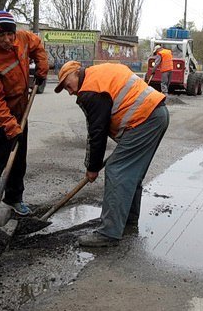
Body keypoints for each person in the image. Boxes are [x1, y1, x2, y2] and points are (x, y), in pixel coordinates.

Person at [54, 60, 169, 247]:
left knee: (117, 170)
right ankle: (128, 221)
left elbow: (96, 133)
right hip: (157, 114)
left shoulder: (91, 90)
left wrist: (92, 168)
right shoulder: (99, 74)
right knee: (132, 172)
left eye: (68, 86)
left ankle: (109, 232)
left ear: (76, 73)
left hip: (144, 120)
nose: (71, 92)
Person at [0, 10, 48, 219]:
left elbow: (37, 46)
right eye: (1, 36)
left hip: (21, 110)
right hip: (0, 118)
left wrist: (42, 68)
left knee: (19, 159)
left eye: (9, 34)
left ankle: (14, 199)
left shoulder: (23, 38)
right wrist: (10, 126)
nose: (7, 40)